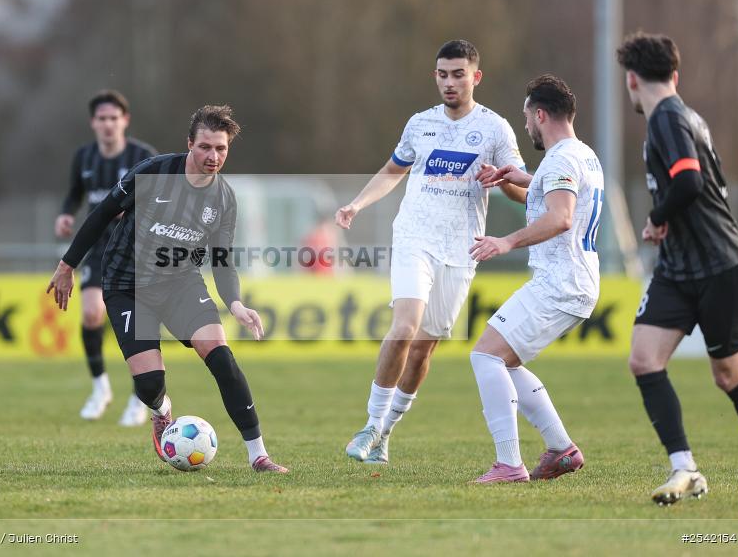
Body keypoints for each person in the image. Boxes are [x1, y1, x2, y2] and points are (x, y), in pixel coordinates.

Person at [47, 104, 287, 473]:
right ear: (189, 143)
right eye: (205, 147)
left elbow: (222, 259)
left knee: (222, 359)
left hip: (180, 284)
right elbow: (100, 216)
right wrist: (68, 265)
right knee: (149, 384)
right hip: (127, 285)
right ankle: (161, 412)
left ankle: (259, 455)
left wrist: (235, 303)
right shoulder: (153, 173)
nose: (213, 156)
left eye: (221, 149)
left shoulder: (224, 199)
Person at [336, 39, 527, 464]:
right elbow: (392, 172)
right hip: (414, 237)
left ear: (476, 77)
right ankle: (369, 424)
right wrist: (357, 204)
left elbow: (517, 190)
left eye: (458, 74)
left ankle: (385, 433)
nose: (450, 82)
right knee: (405, 326)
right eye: (442, 74)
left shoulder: (495, 129)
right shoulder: (420, 124)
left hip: (462, 250)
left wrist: (502, 179)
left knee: (424, 347)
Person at [616, 32, 738, 504]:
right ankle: (685, 469)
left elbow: (689, 182)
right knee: (644, 358)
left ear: (631, 79)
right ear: (673, 74)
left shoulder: (668, 117)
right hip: (679, 268)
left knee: (728, 373)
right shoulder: (678, 115)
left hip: (718, 264)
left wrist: (655, 217)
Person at [468, 74, 603, 483]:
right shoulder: (582, 155)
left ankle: (510, 465)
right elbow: (561, 194)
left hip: (560, 283)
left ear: (540, 114)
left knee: (486, 355)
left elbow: (561, 217)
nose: (526, 126)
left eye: (527, 117)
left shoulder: (560, 159)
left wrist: (506, 242)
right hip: (574, 283)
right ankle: (562, 450)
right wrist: (516, 176)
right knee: (502, 362)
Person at [55, 90, 158, 426]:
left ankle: (140, 398)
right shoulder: (83, 158)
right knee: (90, 313)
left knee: (138, 324)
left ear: (125, 120)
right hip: (99, 249)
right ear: (93, 123)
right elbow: (75, 194)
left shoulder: (144, 156)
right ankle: (100, 388)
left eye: (114, 118)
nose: (108, 124)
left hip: (137, 249)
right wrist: (66, 214)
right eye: (102, 119)